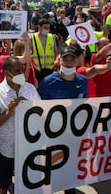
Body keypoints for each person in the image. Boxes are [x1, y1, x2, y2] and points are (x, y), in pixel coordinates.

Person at [37, 45, 88, 194]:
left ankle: (69, 188)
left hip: (72, 134)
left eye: (72, 60)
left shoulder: (83, 81)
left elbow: (84, 106)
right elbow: (38, 108)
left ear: (77, 61)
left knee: (70, 165)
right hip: (51, 134)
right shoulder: (47, 82)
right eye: (66, 60)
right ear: (60, 61)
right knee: (50, 166)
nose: (69, 63)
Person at [0, 56, 41, 194]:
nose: (21, 74)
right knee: (3, 183)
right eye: (16, 71)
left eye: (21, 70)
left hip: (28, 146)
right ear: (6, 73)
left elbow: (41, 111)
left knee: (27, 180)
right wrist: (9, 113)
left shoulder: (29, 89)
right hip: (6, 149)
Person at [31, 18, 59, 83]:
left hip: (50, 70)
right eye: (45, 28)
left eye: (48, 28)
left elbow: (56, 52)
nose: (47, 30)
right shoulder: (32, 38)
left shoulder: (51, 37)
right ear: (39, 26)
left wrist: (56, 61)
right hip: (37, 71)